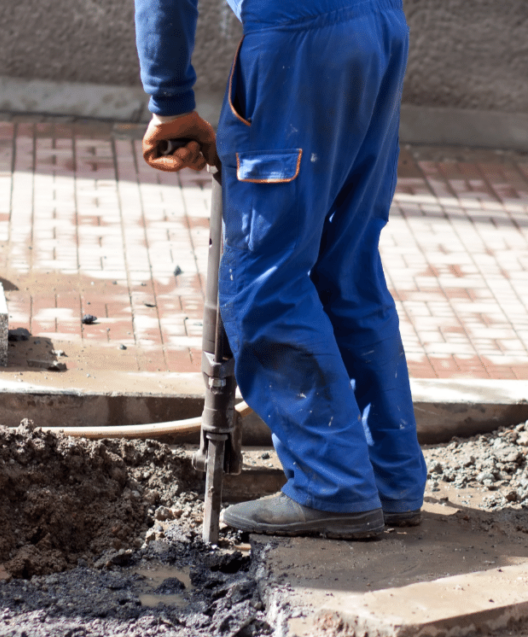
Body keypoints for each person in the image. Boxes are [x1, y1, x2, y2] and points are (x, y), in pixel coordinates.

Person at [134, 0, 427, 538]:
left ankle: (333, 487)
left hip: (300, 38)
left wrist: (170, 100)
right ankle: (389, 479)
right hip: (381, 26)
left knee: (264, 279)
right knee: (349, 262)